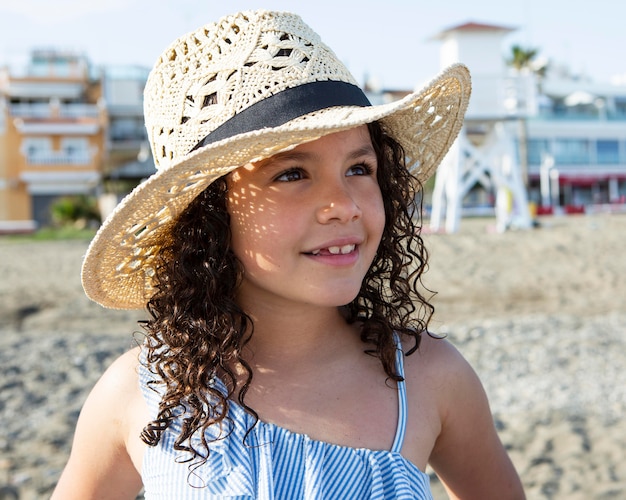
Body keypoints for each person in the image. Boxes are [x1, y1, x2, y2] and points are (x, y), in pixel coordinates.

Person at [52, 9, 525, 499]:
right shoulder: (142, 392)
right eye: (292, 174)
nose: (342, 205)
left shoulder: (429, 378)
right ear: (208, 216)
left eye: (359, 168)